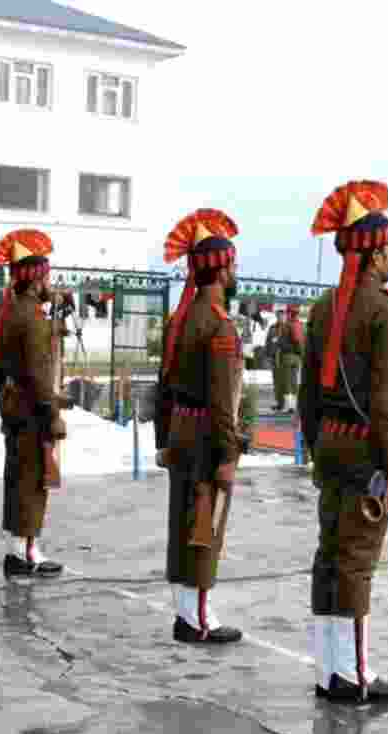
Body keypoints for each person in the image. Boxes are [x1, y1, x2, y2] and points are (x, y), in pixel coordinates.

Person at [299, 179, 388, 703]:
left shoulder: (324, 308)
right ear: (375, 253)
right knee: (356, 564)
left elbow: (306, 395)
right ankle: (353, 676)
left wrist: (316, 446)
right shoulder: (387, 312)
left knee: (329, 557)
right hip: (366, 448)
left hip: (329, 444)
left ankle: (329, 670)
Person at [156, 209, 246, 643]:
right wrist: (229, 454)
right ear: (220, 268)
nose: (235, 271)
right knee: (205, 528)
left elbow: (164, 386)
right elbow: (225, 400)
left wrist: (162, 439)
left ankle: (185, 611)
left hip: (180, 431)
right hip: (208, 436)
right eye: (232, 263)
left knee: (183, 522)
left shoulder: (180, 319)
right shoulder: (219, 324)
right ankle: (197, 620)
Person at [0, 229, 67, 576]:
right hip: (31, 410)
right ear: (36, 281)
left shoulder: (12, 311)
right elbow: (39, 373)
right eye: (46, 276)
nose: (49, 282)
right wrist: (52, 413)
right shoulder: (32, 317)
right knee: (32, 480)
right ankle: (26, 553)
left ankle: (18, 548)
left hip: (14, 406)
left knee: (17, 477)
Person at [277, 307, 305, 413]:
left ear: (290, 314)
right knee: (294, 382)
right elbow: (301, 341)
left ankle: (289, 406)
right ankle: (295, 405)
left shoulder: (287, 325)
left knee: (287, 382)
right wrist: (302, 354)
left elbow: (295, 340)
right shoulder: (300, 325)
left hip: (287, 356)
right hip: (297, 358)